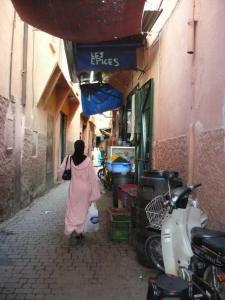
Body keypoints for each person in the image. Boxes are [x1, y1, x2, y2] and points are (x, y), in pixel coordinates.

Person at [58, 140, 101, 242]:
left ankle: (71, 228)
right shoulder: (88, 161)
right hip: (85, 190)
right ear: (83, 147)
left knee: (72, 209)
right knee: (83, 210)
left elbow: (60, 171)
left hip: (74, 189)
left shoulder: (69, 158)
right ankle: (79, 231)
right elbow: (92, 178)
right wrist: (94, 193)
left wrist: (61, 178)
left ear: (75, 147)